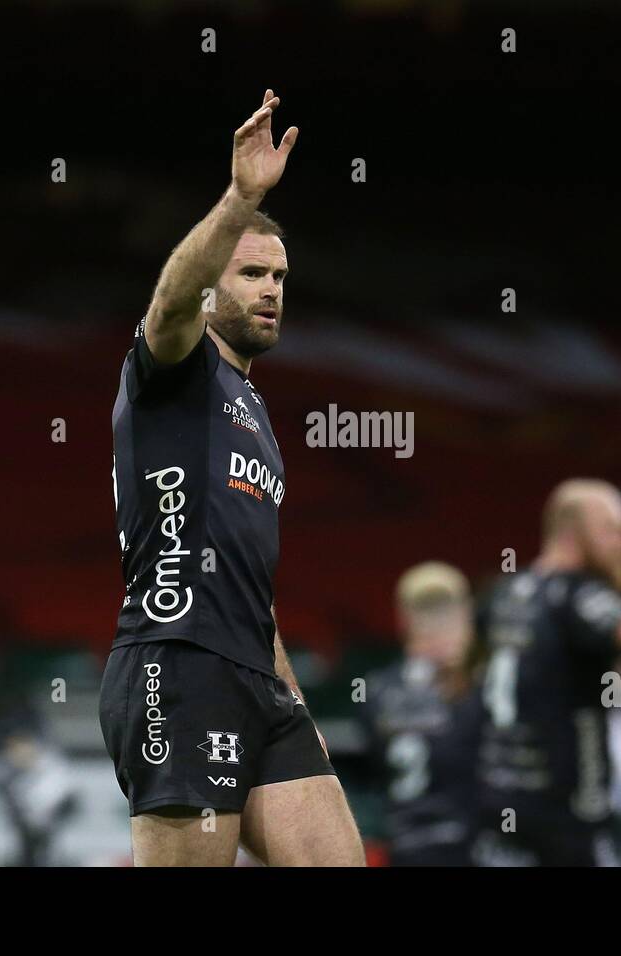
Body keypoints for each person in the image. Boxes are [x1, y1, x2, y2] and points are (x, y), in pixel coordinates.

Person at [99, 89, 364, 866]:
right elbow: (171, 302)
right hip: (176, 664)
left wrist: (292, 701)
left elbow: (251, 590)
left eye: (279, 278)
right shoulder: (173, 370)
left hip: (256, 676)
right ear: (214, 285)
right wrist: (241, 199)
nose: (271, 291)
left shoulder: (250, 405)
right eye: (251, 273)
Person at [474, 480, 621, 866]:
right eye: (612, 530)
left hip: (501, 808)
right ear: (573, 531)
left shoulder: (504, 592)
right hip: (570, 819)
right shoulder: (573, 594)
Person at [358, 562, 482, 866]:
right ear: (465, 615)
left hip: (406, 845)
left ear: (403, 618)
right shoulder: (480, 684)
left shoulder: (377, 690)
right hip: (473, 846)